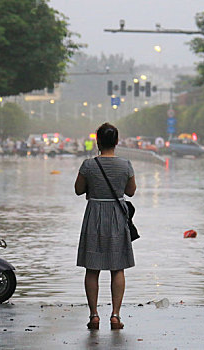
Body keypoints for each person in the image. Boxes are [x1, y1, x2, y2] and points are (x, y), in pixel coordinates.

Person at [75, 123, 136, 330]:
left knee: (92, 268)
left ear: (97, 141)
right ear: (116, 142)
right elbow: (131, 191)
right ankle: (116, 316)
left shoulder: (88, 165)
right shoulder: (126, 165)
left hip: (94, 216)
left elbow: (78, 189)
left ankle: (94, 316)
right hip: (117, 217)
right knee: (117, 267)